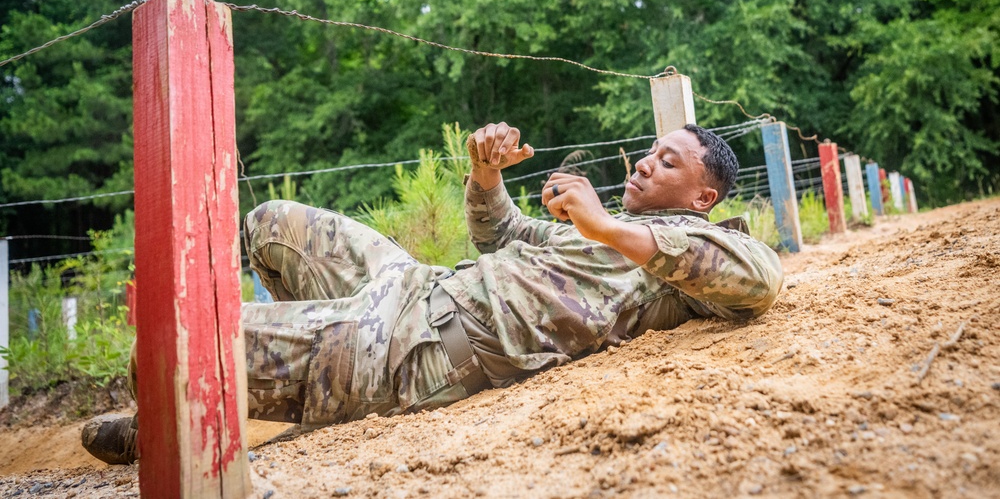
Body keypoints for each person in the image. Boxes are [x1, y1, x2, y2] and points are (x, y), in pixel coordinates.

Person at [82, 122, 783, 464]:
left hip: (414, 349)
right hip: (412, 283)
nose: (645, 162)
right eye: (650, 149)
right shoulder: (597, 233)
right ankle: (279, 380)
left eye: (669, 161)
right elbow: (499, 234)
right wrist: (486, 175)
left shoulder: (685, 260)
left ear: (703, 196)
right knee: (270, 223)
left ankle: (183, 426)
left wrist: (606, 226)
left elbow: (759, 282)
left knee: (175, 348)